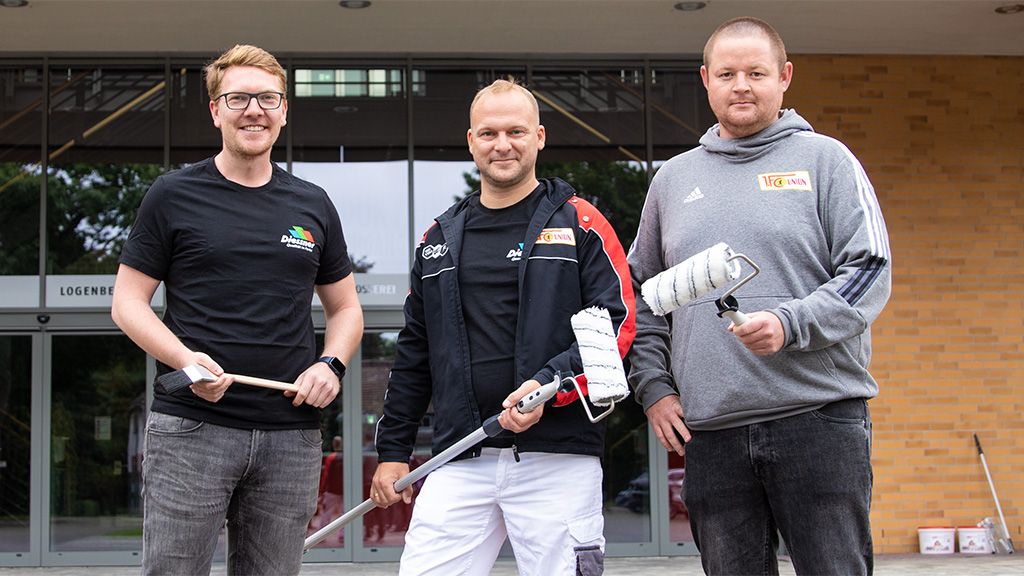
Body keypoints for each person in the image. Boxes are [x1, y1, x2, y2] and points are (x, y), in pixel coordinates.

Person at [627, 17, 890, 576]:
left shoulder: (827, 161)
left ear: (785, 76)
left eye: (755, 72)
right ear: (705, 79)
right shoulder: (672, 181)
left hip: (818, 421)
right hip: (713, 434)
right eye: (726, 73)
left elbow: (869, 268)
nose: (740, 85)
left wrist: (790, 322)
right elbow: (641, 299)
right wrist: (653, 388)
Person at [111, 44, 363, 575]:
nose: (255, 110)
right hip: (192, 431)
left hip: (290, 433)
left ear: (285, 110)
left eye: (268, 98)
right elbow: (128, 304)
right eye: (239, 98)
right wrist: (186, 361)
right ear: (215, 110)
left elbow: (345, 311)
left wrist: (331, 365)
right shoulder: (173, 194)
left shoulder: (313, 203)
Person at [371, 79, 635, 576]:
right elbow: (413, 353)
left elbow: (615, 327)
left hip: (557, 458)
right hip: (459, 454)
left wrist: (545, 389)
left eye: (515, 131)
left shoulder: (580, 222)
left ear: (539, 136)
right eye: (488, 133)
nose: (502, 144)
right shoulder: (438, 239)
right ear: (470, 141)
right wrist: (392, 451)